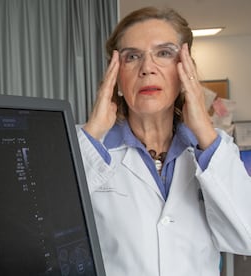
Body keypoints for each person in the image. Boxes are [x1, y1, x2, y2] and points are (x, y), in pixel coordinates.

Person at [77, 6, 251, 276]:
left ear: (185, 71)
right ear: (117, 78)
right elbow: (43, 230)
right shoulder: (87, 147)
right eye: (132, 56)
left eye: (164, 53)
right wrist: (93, 134)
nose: (147, 68)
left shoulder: (213, 150)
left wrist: (205, 130)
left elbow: (246, 237)